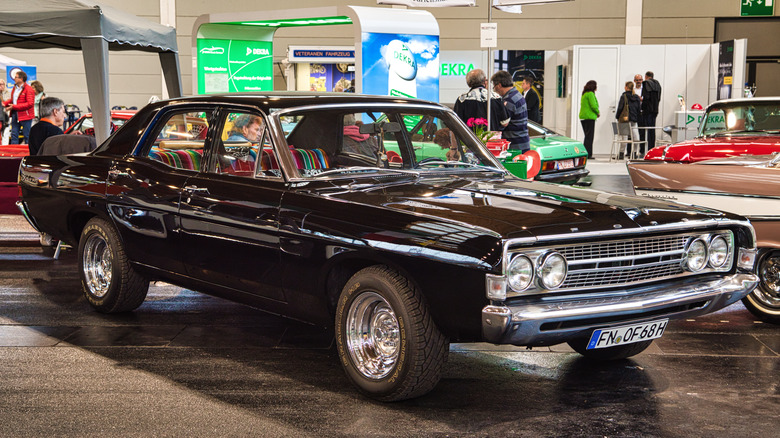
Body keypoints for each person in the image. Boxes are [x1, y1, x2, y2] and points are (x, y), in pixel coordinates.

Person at [491, 70, 530, 152]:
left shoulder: (509, 100)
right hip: (522, 143)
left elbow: (503, 123)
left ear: (499, 85)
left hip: (515, 147)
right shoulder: (517, 95)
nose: (494, 90)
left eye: (494, 87)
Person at [3, 70, 36, 144]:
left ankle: (28, 152)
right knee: (14, 134)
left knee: (27, 135)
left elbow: (30, 104)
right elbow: (12, 100)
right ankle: (14, 153)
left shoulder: (29, 89)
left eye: (16, 77)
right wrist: (4, 104)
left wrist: (14, 107)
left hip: (26, 116)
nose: (14, 78)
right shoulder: (15, 88)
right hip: (15, 114)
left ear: (21, 79)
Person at [616, 81, 642, 158]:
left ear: (627, 87)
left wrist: (617, 117)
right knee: (636, 137)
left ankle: (621, 154)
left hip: (624, 119)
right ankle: (634, 153)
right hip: (634, 119)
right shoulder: (636, 97)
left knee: (624, 137)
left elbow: (620, 108)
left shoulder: (624, 96)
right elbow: (639, 109)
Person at [578, 80, 599, 159]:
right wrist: (597, 112)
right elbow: (593, 105)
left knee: (587, 136)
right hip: (589, 117)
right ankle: (588, 154)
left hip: (583, 117)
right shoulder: (590, 94)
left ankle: (586, 153)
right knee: (589, 137)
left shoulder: (584, 94)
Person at [641, 71, 662, 149]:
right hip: (655, 109)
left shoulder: (646, 83)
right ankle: (651, 147)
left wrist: (642, 107)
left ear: (646, 76)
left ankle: (643, 149)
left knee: (644, 129)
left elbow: (646, 97)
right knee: (652, 129)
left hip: (647, 110)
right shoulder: (658, 84)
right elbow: (659, 97)